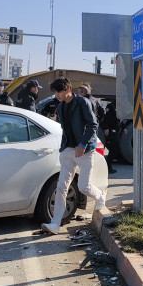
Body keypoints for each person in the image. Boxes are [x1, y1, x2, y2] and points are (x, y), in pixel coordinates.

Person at [41, 77, 106, 235]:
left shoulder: (83, 103)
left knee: (83, 186)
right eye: (56, 92)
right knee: (61, 187)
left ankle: (100, 196)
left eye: (59, 92)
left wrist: (82, 144)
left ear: (67, 90)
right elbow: (64, 127)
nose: (57, 95)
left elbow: (93, 125)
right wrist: (64, 148)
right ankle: (55, 223)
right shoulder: (61, 106)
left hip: (84, 150)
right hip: (68, 150)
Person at [100, 101, 123, 174]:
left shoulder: (120, 106)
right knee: (113, 149)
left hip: (116, 130)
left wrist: (123, 128)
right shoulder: (111, 106)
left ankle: (108, 166)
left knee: (115, 150)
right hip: (110, 131)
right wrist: (106, 128)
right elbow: (105, 118)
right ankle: (107, 166)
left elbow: (119, 120)